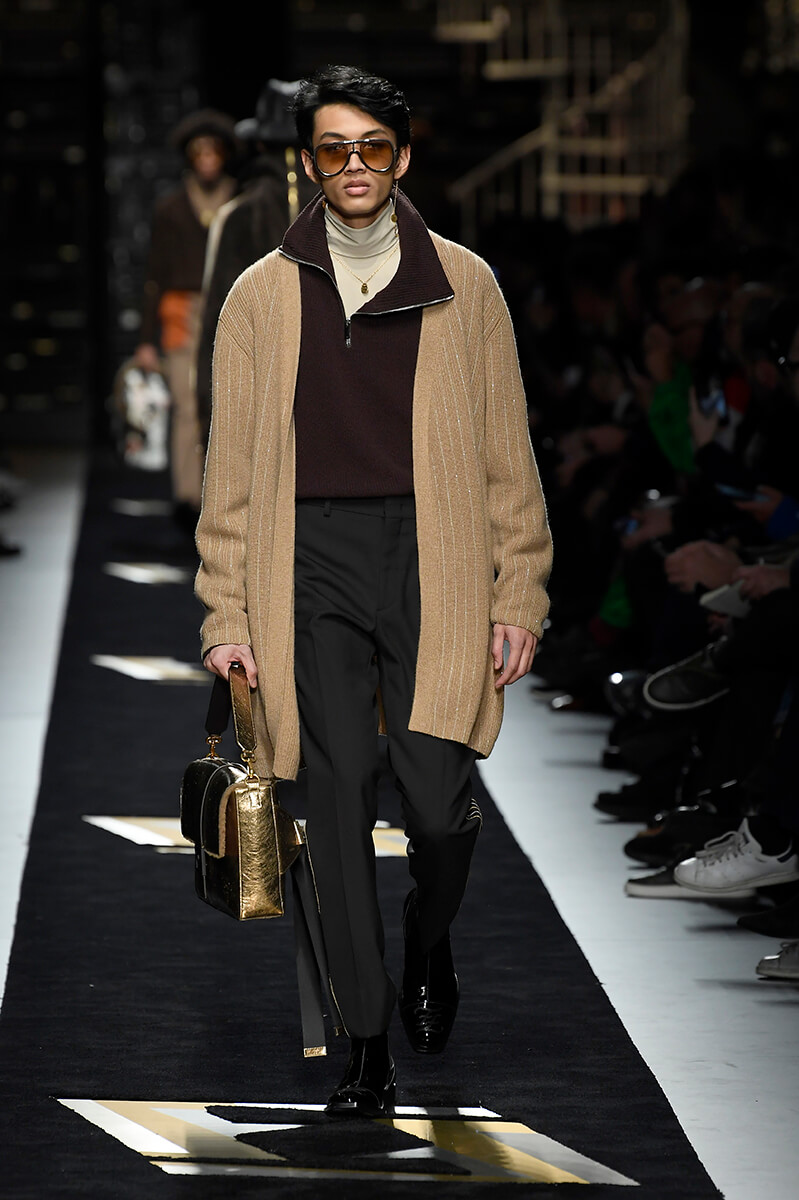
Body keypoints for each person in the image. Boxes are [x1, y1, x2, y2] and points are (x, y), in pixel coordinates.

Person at [196, 65, 552, 1117]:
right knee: (338, 793)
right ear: (308, 161)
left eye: (374, 146)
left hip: (436, 555)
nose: (353, 166)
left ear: (403, 155)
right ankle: (364, 1039)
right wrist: (226, 614)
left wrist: (518, 594)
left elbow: (507, 458)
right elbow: (230, 476)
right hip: (306, 560)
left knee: (439, 807)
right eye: (333, 147)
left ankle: (428, 939)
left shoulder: (466, 285)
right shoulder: (259, 295)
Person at [196, 79, 319, 438]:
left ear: (259, 143)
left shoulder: (238, 216)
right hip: (338, 398)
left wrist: (210, 421)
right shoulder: (348, 211)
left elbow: (218, 323)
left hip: (258, 395)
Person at [134, 109, 237, 530]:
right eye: (200, 153)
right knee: (185, 407)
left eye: (214, 152)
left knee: (228, 406)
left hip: (231, 310)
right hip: (182, 315)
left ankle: (222, 499)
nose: (208, 160)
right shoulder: (171, 208)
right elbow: (154, 275)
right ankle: (187, 498)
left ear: (224, 155)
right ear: (191, 158)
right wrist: (146, 339)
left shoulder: (240, 201)